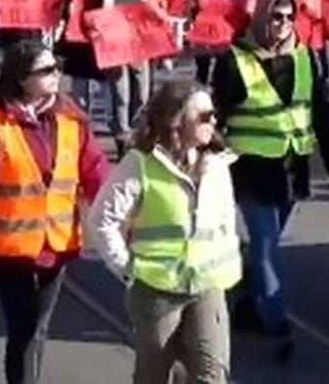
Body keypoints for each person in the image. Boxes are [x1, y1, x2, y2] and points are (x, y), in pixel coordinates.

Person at [0, 40, 110, 384]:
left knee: (37, 329)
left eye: (55, 68)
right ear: (21, 79)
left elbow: (95, 171)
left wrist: (122, 215)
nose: (55, 75)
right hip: (8, 248)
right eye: (45, 71)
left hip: (56, 245)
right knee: (24, 326)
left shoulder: (71, 119)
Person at [211, 0, 329, 351]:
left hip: (290, 168)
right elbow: (214, 117)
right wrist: (205, 161)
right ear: (260, 19)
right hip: (251, 168)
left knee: (263, 245)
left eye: (288, 17)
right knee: (267, 248)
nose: (283, 25)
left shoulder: (306, 57)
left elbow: (321, 111)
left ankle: (245, 303)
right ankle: (276, 322)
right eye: (275, 17)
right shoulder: (233, 61)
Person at [86, 82, 240, 384]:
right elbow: (101, 219)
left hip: (207, 285)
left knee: (212, 374)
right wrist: (127, 268)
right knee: (155, 374)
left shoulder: (218, 164)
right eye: (204, 116)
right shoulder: (140, 164)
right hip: (157, 289)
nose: (214, 122)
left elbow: (225, 220)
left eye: (214, 114)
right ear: (176, 121)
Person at [106, 0, 152, 158]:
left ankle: (135, 131)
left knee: (142, 93)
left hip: (138, 43)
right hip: (116, 44)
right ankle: (123, 137)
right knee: (121, 93)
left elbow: (150, 8)